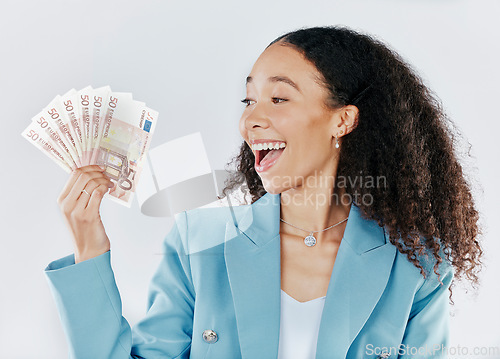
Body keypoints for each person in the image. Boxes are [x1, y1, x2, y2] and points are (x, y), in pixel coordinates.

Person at [45, 26, 483, 359]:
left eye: (279, 99)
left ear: (343, 121)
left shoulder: (417, 265)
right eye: (248, 101)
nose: (250, 120)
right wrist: (89, 246)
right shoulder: (199, 244)